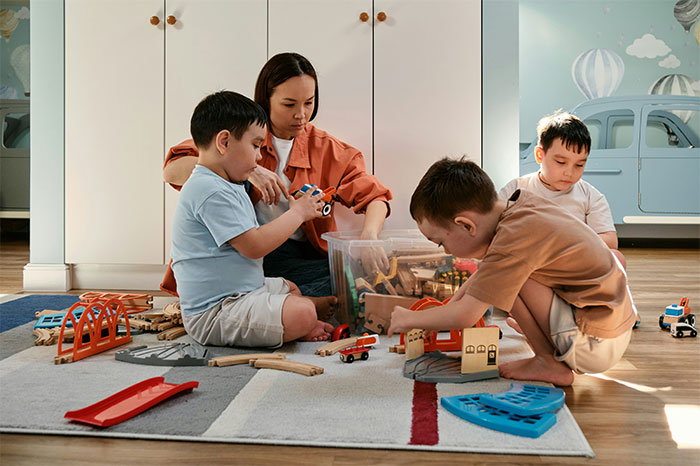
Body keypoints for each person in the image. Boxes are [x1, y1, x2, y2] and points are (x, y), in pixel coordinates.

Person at [387, 157, 636, 386]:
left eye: (441, 242)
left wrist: (408, 319)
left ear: (465, 225)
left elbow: (466, 316)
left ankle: (547, 361)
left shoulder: (513, 240)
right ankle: (548, 357)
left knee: (511, 279)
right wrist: (444, 311)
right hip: (610, 327)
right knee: (501, 277)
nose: (447, 252)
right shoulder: (520, 208)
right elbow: (482, 278)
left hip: (597, 343)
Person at [163, 52, 392, 299]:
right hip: (236, 255)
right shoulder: (238, 137)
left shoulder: (327, 149)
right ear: (266, 100)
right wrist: (253, 171)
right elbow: (172, 171)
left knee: (356, 274)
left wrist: (368, 238)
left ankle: (274, 300)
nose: (301, 114)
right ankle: (291, 302)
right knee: (345, 288)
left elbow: (375, 197)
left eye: (309, 102)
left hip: (297, 258)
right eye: (289, 104)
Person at [170, 90, 334, 348]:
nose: (259, 157)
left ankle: (294, 318)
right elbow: (254, 246)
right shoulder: (209, 190)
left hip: (243, 292)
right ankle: (302, 318)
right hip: (215, 312)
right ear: (224, 142)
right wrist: (297, 214)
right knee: (302, 312)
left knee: (291, 288)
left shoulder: (226, 183)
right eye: (255, 145)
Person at [499, 111, 625, 268]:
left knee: (617, 258)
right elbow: (495, 229)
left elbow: (610, 240)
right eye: (560, 162)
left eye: (579, 165)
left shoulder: (590, 196)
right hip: (531, 264)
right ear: (540, 155)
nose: (569, 172)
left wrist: (568, 243)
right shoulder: (517, 189)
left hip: (572, 262)